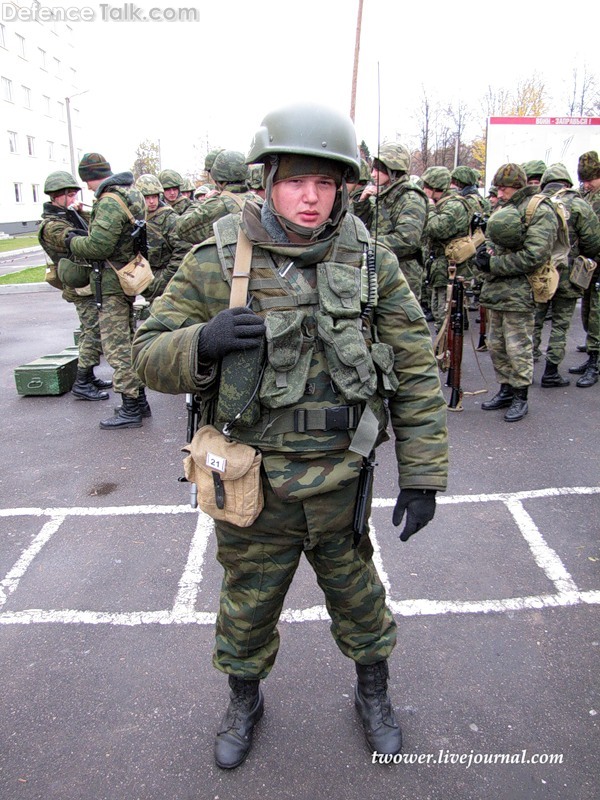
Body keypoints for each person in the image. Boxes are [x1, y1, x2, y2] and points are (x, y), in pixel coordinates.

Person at [132, 102, 448, 768]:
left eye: (326, 183)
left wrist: (422, 476)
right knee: (246, 606)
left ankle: (373, 694)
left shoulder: (369, 261)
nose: (310, 197)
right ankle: (243, 699)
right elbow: (146, 354)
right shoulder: (219, 257)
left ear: (343, 188)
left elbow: (416, 371)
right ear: (267, 179)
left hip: (340, 478)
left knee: (361, 602)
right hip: (252, 482)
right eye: (295, 180)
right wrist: (203, 342)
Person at [65, 152, 150, 428]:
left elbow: (98, 246)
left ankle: (130, 408)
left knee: (117, 348)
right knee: (127, 340)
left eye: (86, 182)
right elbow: (118, 226)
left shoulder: (109, 200)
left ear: (90, 177)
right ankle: (140, 401)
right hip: (125, 277)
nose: (88, 189)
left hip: (112, 283)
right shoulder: (130, 193)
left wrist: (72, 242)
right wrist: (89, 213)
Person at [474, 163, 558, 421]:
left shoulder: (539, 210)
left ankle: (521, 395)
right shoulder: (505, 207)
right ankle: (506, 389)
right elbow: (493, 241)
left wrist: (494, 265)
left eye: (503, 188)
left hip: (521, 292)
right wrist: (482, 255)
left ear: (518, 186)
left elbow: (535, 255)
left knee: (518, 346)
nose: (499, 193)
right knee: (497, 345)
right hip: (498, 290)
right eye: (497, 188)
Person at [38, 170, 112, 401]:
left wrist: (82, 213)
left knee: (90, 330)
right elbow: (81, 240)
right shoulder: (52, 225)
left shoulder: (69, 215)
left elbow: (91, 229)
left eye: (74, 194)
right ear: (55, 197)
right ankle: (82, 381)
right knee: (92, 332)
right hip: (79, 284)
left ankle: (88, 376)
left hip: (87, 281)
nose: (73, 199)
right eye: (68, 196)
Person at [533, 164, 600, 386]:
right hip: (568, 272)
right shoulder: (579, 204)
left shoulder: (534, 203)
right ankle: (551, 372)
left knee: (534, 319)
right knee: (561, 323)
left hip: (539, 272)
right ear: (568, 183)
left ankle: (525, 366)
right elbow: (593, 242)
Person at [353, 143, 428, 301]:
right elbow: (363, 226)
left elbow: (407, 240)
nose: (372, 174)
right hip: (381, 267)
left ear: (392, 170)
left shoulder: (411, 198)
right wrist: (363, 202)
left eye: (377, 169)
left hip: (403, 272)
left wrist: (368, 244)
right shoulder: (385, 194)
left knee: (399, 322)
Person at [421, 166, 472, 330]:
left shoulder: (454, 205)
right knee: (439, 312)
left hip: (451, 269)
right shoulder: (443, 203)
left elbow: (437, 228)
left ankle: (446, 352)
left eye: (426, 186)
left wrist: (429, 206)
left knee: (446, 316)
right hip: (440, 270)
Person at [568, 151, 600, 388]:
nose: (587, 184)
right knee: (588, 310)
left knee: (597, 314)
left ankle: (595, 362)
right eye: (584, 180)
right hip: (589, 264)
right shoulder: (588, 196)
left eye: (590, 179)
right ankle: (592, 350)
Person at [135, 174, 192, 304]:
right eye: (147, 197)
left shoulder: (169, 217)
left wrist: (165, 276)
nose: (151, 201)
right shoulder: (135, 216)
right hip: (146, 275)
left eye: (154, 197)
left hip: (165, 277)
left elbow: (183, 249)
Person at [175, 150, 251, 245]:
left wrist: (204, 201)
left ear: (217, 177)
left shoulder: (215, 205)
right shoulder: (258, 200)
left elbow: (181, 228)